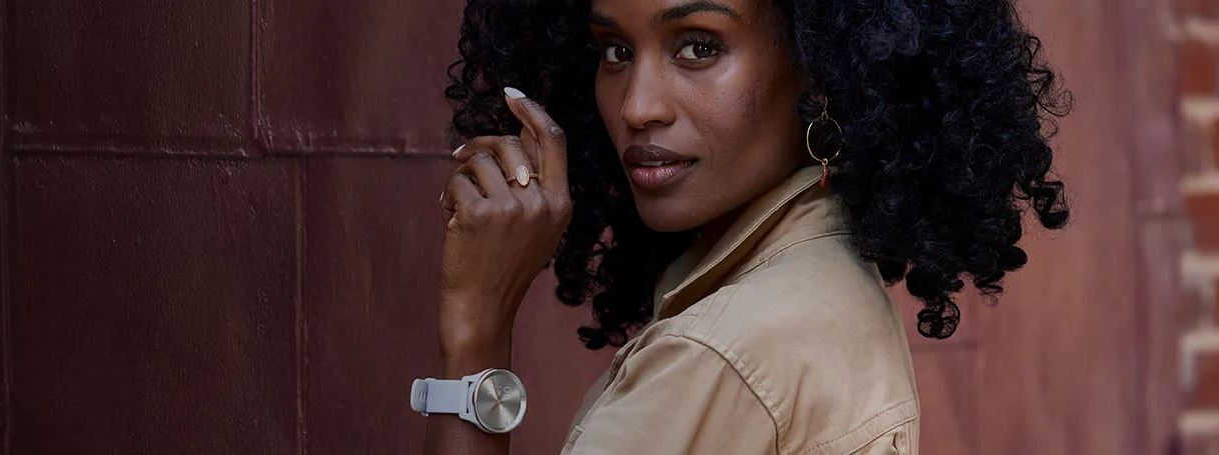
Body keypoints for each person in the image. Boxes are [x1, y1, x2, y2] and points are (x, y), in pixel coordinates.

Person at [425, 0, 1070, 453]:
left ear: (819, 67)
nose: (638, 107)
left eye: (698, 47)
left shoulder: (719, 356)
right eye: (616, 51)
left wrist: (476, 335)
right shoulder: (827, 283)